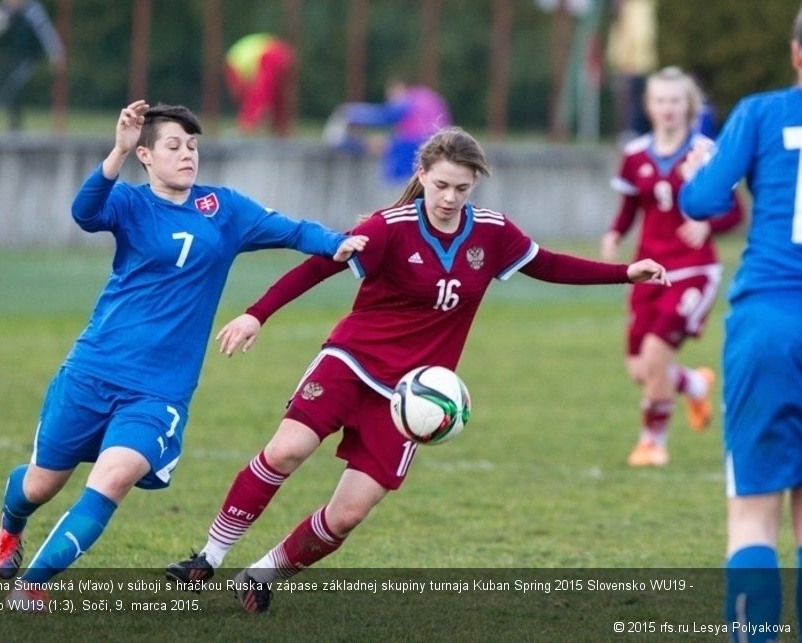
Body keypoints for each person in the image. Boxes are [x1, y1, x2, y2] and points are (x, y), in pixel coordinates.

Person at [165, 126, 669, 614]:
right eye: (442, 184)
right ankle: (207, 558)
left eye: (462, 188)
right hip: (351, 360)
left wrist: (626, 273)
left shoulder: (491, 233)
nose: (450, 197)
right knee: (288, 448)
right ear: (423, 173)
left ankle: (264, 574)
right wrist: (257, 313)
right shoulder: (389, 227)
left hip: (412, 397)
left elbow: (549, 265)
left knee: (348, 515)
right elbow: (320, 265)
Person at [0, 100, 367, 611]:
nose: (188, 154)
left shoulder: (225, 209)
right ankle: (11, 528)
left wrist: (339, 243)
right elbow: (84, 213)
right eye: (174, 146)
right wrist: (115, 152)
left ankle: (31, 584)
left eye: (193, 146)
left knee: (114, 478)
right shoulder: (130, 204)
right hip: (91, 370)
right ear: (145, 155)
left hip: (159, 390)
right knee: (39, 485)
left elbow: (294, 230)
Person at [679, 6, 802, 639]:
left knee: (753, 519)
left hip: (769, 325)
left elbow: (701, 201)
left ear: (796, 53)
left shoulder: (761, 112)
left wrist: (704, 171)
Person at [600, 66, 743, 468]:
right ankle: (695, 384)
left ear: (689, 107)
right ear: (649, 105)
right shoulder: (634, 155)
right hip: (648, 268)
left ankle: (652, 443)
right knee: (638, 369)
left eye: (675, 101)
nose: (667, 108)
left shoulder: (706, 153)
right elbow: (629, 208)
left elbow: (736, 215)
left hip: (693, 270)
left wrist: (706, 220)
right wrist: (614, 234)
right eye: (660, 100)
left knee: (655, 356)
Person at [329, 77, 452, 183]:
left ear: (400, 88)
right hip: (438, 147)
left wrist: (350, 112)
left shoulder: (408, 100)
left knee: (380, 147)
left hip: (417, 145)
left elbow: (384, 115)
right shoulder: (427, 96)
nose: (391, 100)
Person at [0, 0, 65, 131]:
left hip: (26, 59)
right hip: (9, 58)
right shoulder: (3, 9)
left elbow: (46, 33)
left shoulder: (33, 11)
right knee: (12, 91)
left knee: (8, 88)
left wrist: (56, 53)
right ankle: (14, 128)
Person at [223, 33, 295, 136]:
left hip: (271, 54)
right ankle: (280, 129)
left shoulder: (231, 66)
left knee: (261, 92)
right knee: (277, 96)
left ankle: (247, 125)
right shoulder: (238, 59)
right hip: (282, 53)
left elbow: (243, 93)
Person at [606, 0, 658, 143]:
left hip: (637, 64)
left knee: (635, 98)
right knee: (626, 97)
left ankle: (635, 131)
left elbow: (641, 37)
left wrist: (627, 60)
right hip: (629, 63)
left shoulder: (638, 10)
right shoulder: (625, 14)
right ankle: (627, 131)